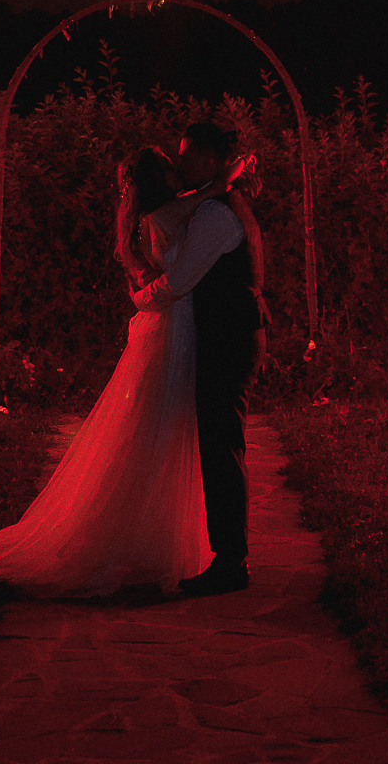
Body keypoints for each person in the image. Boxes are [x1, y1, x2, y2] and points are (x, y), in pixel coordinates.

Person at [0, 146, 215, 596]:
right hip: (174, 324)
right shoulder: (166, 217)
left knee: (153, 428)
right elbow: (202, 199)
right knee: (159, 428)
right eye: (169, 168)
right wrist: (227, 176)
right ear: (159, 180)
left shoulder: (149, 219)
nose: (178, 174)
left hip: (166, 323)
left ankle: (150, 537)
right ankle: (144, 540)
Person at [131, 120, 266, 596]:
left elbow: (183, 279)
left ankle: (232, 561)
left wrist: (143, 297)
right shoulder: (212, 205)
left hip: (228, 338)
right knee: (218, 442)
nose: (180, 163)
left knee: (221, 445)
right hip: (225, 334)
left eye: (187, 156)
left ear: (209, 161)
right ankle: (227, 555)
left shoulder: (213, 215)